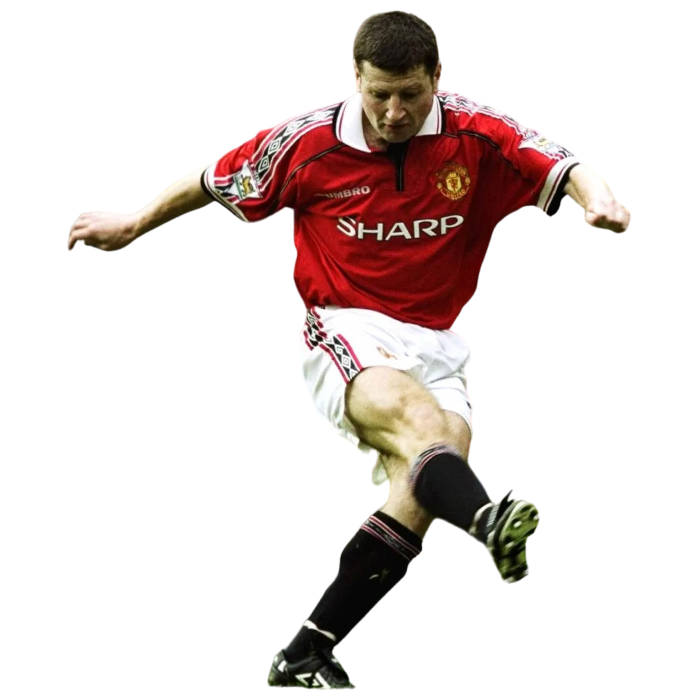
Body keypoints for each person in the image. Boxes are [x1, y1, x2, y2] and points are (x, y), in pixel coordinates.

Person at [66, 10, 632, 691]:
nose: (394, 112)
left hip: (439, 342)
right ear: (355, 77)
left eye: (410, 94)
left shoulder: (476, 131)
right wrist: (134, 223)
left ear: (437, 77)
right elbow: (213, 180)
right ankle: (488, 522)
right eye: (379, 94)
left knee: (429, 477)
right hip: (348, 325)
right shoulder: (307, 142)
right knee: (425, 435)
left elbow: (563, 164)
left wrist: (602, 202)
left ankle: (307, 649)